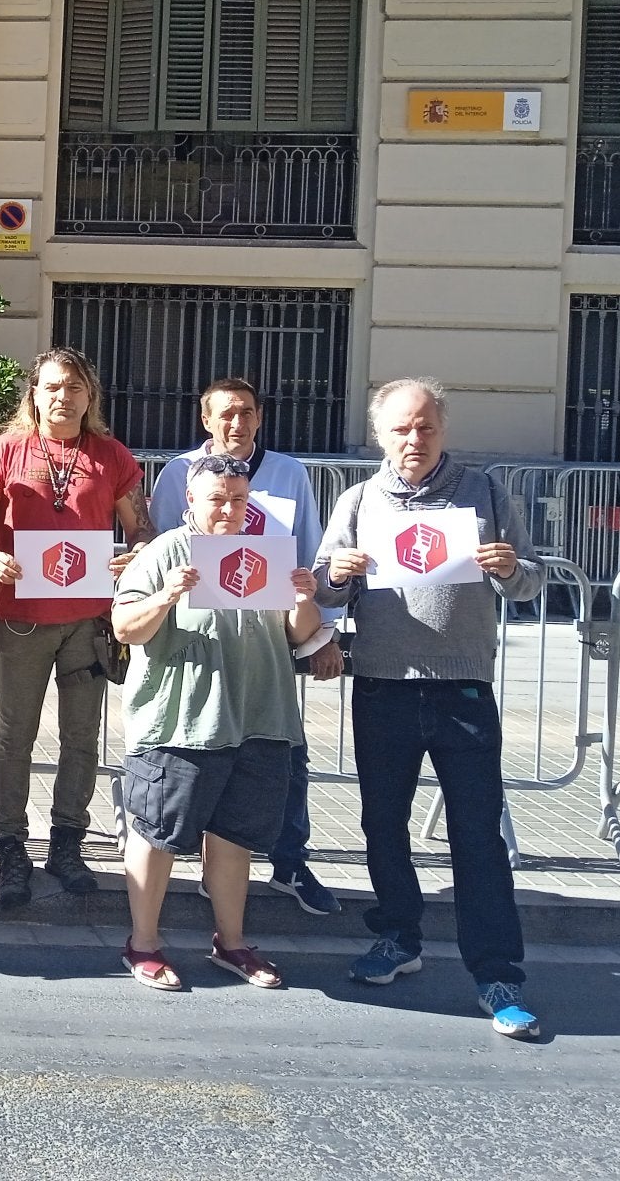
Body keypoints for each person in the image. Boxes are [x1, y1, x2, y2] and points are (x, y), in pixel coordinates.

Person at [316, 377, 546, 1040]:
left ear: (443, 430)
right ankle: (398, 936)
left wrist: (507, 568)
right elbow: (327, 593)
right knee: (382, 823)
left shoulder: (485, 493)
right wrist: (338, 574)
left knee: (477, 835)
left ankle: (497, 972)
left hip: (463, 689)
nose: (414, 440)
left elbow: (532, 582)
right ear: (379, 434)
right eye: (401, 429)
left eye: (426, 428)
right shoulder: (359, 501)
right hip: (384, 685)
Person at [112, 455, 327, 991]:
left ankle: (231, 944)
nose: (229, 509)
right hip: (180, 724)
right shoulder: (164, 553)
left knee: (233, 837)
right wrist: (166, 596)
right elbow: (124, 628)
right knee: (157, 833)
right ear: (191, 501)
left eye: (238, 498)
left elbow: (300, 635)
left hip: (258, 719)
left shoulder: (266, 556)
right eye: (217, 499)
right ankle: (143, 945)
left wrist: (303, 598)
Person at [148, 377, 345, 916]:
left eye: (248, 413)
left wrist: (321, 633)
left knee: (284, 752)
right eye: (227, 414)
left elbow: (309, 554)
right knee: (202, 755)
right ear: (206, 420)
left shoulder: (289, 473)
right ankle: (205, 867)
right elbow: (164, 543)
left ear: (260, 417)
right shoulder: (177, 474)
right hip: (199, 639)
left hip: (269, 634)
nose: (238, 423)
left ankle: (289, 862)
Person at [0, 347, 153, 903]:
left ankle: (67, 844)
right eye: (52, 387)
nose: (63, 397)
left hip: (89, 622)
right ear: (34, 394)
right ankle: (10, 846)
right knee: (13, 737)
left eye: (74, 388)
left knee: (82, 737)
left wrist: (137, 557)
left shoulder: (112, 456)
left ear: (89, 396)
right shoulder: (5, 452)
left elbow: (140, 526)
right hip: (23, 618)